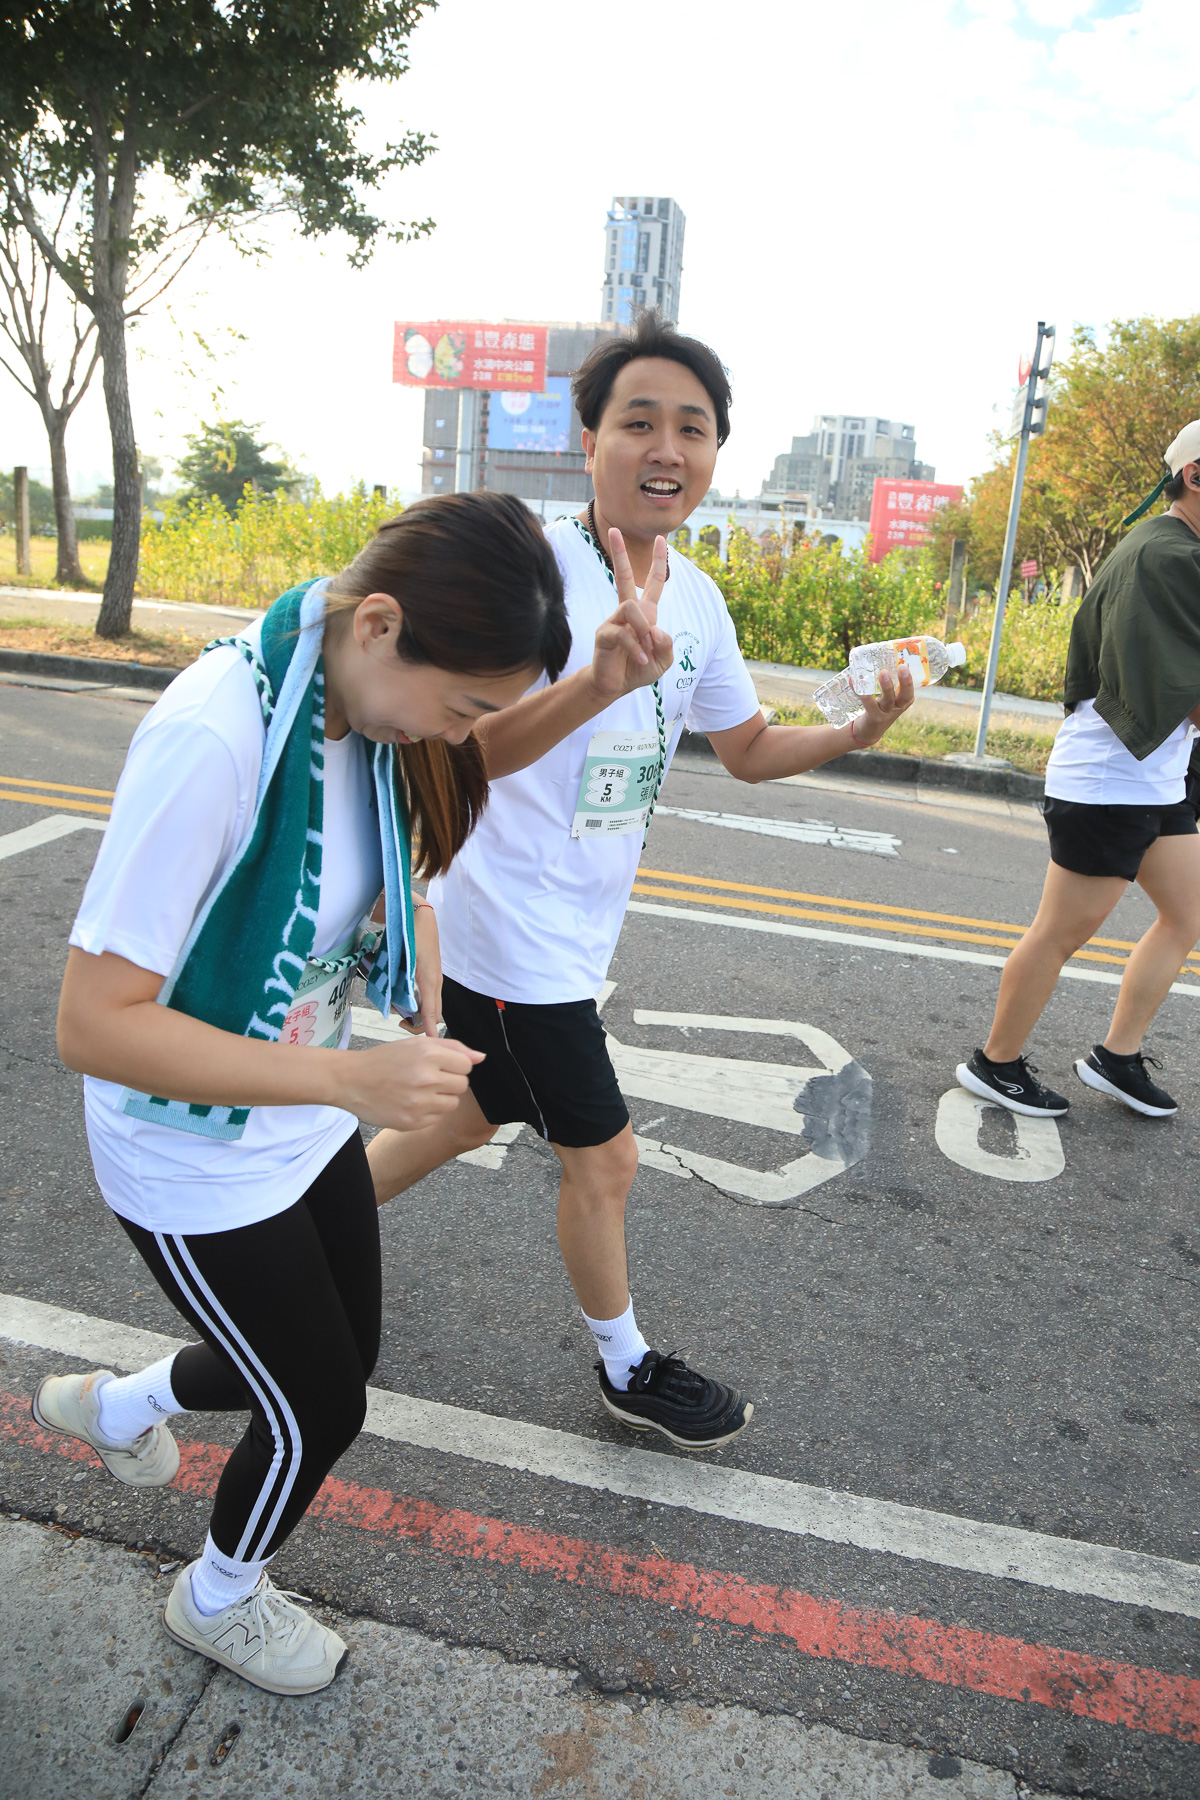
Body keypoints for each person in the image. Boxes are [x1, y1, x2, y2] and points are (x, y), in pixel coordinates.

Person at [34, 494, 569, 1695]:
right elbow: (93, 1024)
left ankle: (113, 1408)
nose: (458, 735)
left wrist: (419, 998)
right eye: (464, 707)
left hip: (303, 1109)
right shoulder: (216, 737)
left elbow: (396, 885)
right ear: (379, 625)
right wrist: (351, 1077)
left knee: (333, 1358)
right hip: (189, 1149)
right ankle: (217, 1597)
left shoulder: (360, 713)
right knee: (320, 1407)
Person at [368, 313, 914, 1449]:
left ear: (715, 454)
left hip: (575, 932)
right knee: (604, 1156)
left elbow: (749, 748)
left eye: (692, 429)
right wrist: (598, 681)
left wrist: (856, 731)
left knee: (471, 1112)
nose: (667, 448)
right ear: (589, 440)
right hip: (502, 931)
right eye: (639, 423)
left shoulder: (698, 599)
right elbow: (455, 751)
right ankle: (626, 1364)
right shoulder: (528, 572)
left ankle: (301, 1225)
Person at [958, 419, 1200, 1120]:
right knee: (1060, 932)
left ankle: (1116, 1057)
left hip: (1155, 777)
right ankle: (995, 1063)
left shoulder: (1177, 549)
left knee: (1186, 915)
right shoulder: (1166, 557)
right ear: (1195, 476)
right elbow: (1177, 688)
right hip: (1110, 782)